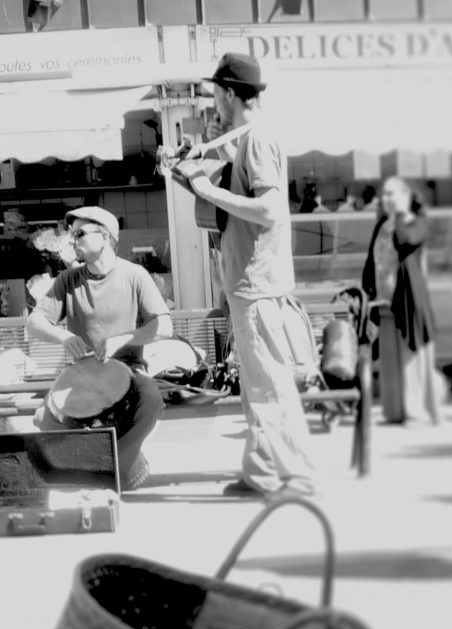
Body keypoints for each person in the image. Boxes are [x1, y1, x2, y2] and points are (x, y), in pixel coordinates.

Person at [186, 52, 317, 499]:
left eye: (214, 93)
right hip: (253, 281)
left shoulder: (257, 138)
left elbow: (269, 209)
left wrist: (206, 189)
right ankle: (262, 471)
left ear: (228, 92)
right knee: (258, 386)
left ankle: (296, 475)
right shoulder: (246, 137)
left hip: (256, 283)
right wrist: (204, 168)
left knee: (269, 388)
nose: (213, 102)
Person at [26, 206, 168, 490]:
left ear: (104, 237)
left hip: (129, 370)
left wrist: (123, 339)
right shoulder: (68, 280)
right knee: (44, 418)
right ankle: (98, 469)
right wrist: (63, 337)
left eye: (80, 233)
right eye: (71, 234)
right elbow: (34, 323)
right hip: (81, 375)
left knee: (152, 399)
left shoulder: (134, 275)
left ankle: (118, 465)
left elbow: (164, 326)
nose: (72, 239)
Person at [361, 176, 442, 425]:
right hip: (384, 302)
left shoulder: (415, 221)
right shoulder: (382, 224)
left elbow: (407, 239)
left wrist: (399, 215)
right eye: (384, 194)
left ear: (406, 196)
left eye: (391, 194)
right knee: (390, 358)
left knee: (410, 357)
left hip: (408, 300)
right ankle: (394, 411)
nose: (386, 199)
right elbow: (373, 257)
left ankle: (416, 411)